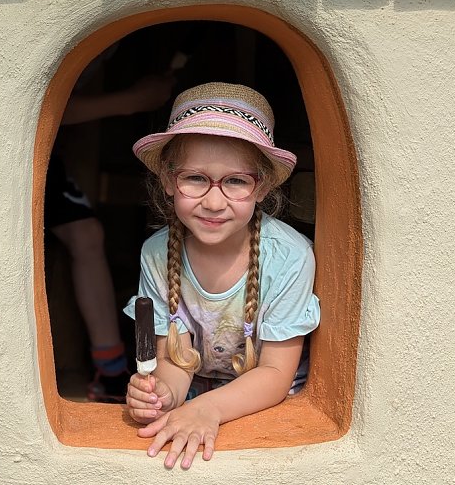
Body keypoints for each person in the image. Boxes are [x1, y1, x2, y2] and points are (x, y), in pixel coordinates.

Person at [123, 82, 320, 468]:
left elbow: (276, 373)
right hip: (196, 402)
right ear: (168, 181)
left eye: (236, 181)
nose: (214, 202)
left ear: (262, 187)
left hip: (269, 406)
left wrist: (208, 410)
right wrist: (162, 393)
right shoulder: (157, 253)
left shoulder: (290, 257)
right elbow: (174, 361)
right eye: (195, 178)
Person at [47, 71, 174, 402]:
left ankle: (111, 368)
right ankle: (111, 368)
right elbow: (42, 103)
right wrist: (130, 101)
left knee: (85, 233)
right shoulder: (158, 250)